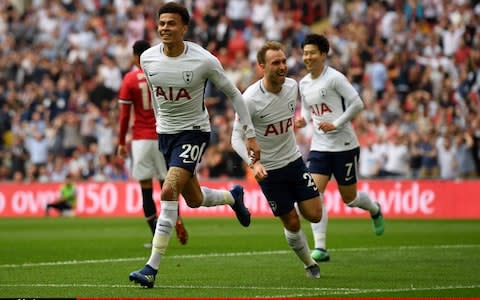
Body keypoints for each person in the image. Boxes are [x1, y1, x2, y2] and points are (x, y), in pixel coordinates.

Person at [128, 2, 260, 288]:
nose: (165, 28)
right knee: (195, 199)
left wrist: (249, 134)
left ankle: (151, 268)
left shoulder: (204, 60)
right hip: (165, 135)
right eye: (161, 23)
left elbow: (234, 95)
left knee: (167, 189)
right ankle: (232, 197)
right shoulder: (148, 59)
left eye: (171, 23)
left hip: (194, 132)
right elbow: (158, 98)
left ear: (184, 28)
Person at [231, 41, 322, 278]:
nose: (283, 66)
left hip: (293, 161)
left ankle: (295, 202)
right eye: (276, 63)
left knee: (315, 214)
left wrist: (299, 120)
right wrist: (254, 163)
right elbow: (235, 138)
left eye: (284, 61)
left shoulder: (292, 86)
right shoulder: (249, 99)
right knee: (292, 222)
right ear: (262, 66)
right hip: (269, 170)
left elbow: (291, 114)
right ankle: (310, 263)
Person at [295, 34, 385, 263]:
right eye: (305, 53)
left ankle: (374, 209)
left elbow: (357, 104)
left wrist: (335, 123)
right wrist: (303, 120)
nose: (307, 57)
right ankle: (321, 247)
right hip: (320, 147)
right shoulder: (304, 83)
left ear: (323, 54)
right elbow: (307, 110)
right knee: (313, 194)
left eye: (312, 52)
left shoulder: (335, 78)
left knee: (350, 198)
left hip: (345, 146)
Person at [117, 40, 188, 248]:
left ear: (133, 56)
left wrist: (121, 142)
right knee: (168, 186)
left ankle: (156, 234)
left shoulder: (129, 79)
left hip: (141, 140)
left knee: (146, 189)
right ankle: (178, 221)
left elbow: (124, 116)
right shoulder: (161, 74)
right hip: (163, 136)